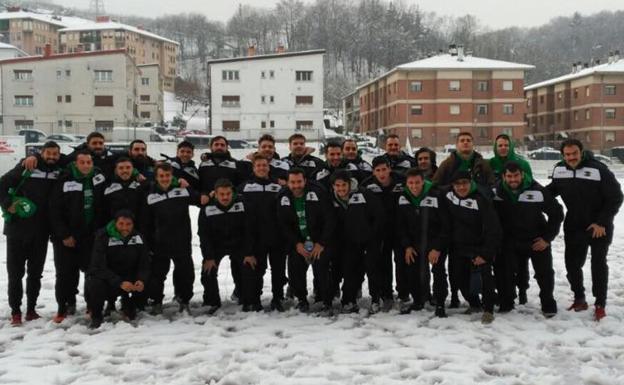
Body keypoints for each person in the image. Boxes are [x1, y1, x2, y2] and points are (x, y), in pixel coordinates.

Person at [547, 139, 623, 321]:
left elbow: (616, 196)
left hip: (598, 226)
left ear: (581, 152)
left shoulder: (598, 169)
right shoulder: (559, 169)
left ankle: (600, 304)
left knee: (598, 264)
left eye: (574, 153)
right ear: (563, 155)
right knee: (572, 264)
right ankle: (579, 298)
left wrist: (602, 222)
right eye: (567, 154)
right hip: (574, 223)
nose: (571, 157)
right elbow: (551, 191)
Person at [0, 141, 62, 325]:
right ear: (41, 153)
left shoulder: (59, 170)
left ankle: (31, 310)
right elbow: (2, 184)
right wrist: (7, 204)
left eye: (55, 154)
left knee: (35, 274)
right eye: (48, 153)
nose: (51, 157)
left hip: (41, 232)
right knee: (15, 274)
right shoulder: (27, 165)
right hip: (17, 231)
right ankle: (16, 311)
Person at [493, 161, 563, 317]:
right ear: (503, 176)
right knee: (505, 272)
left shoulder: (537, 190)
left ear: (522, 174)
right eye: (509, 176)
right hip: (510, 240)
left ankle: (547, 303)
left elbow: (557, 213)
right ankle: (506, 301)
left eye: (516, 175)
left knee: (544, 273)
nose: (513, 180)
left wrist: (547, 238)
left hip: (535, 239)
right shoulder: (496, 192)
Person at [49, 150, 107, 323]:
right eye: (82, 162)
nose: (86, 166)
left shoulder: (99, 178)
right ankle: (64, 306)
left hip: (90, 237)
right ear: (75, 164)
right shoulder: (65, 179)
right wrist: (64, 234)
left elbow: (104, 205)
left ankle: (91, 305)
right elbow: (54, 210)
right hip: (66, 238)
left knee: (92, 273)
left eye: (89, 163)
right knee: (65, 274)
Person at [142, 162, 205, 315]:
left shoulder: (181, 191)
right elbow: (146, 222)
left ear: (172, 176)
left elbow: (200, 200)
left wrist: (188, 186)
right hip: (159, 243)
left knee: (186, 274)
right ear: (156, 177)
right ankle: (157, 302)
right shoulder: (150, 195)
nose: (165, 178)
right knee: (157, 275)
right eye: (161, 176)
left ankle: (184, 301)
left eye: (167, 175)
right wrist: (148, 243)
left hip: (181, 241)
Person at [440, 170, 502, 324]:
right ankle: (474, 304)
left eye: (465, 183)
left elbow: (493, 229)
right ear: (453, 186)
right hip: (458, 247)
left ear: (470, 183)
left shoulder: (481, 200)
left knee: (485, 279)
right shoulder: (448, 195)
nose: (461, 187)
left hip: (479, 247)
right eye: (458, 184)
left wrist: (486, 254)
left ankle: (488, 309)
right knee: (459, 278)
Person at [277, 168, 336, 315]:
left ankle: (326, 301)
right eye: (292, 182)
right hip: (298, 241)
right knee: (295, 266)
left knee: (322, 267)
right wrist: (296, 244)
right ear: (288, 182)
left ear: (305, 181)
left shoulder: (317, 192)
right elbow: (283, 224)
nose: (296, 185)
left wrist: (321, 243)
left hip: (319, 240)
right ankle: (301, 299)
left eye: (299, 182)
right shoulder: (283, 197)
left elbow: (330, 219)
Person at [330, 170, 385, 313]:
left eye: (344, 185)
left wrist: (373, 236)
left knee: (372, 268)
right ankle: (349, 300)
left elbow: (378, 215)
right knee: (350, 270)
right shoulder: (332, 198)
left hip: (369, 240)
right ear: (333, 186)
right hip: (348, 241)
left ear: (349, 184)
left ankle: (376, 298)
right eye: (338, 186)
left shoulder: (364, 194)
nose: (341, 188)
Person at [238, 155, 288, 311]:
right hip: (256, 236)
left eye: (264, 165)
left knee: (278, 270)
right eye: (258, 165)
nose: (262, 168)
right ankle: (254, 299)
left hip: (277, 236)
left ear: (269, 167)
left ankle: (278, 298)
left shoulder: (279, 186)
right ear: (253, 168)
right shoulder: (245, 187)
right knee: (257, 270)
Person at [199, 178, 256, 314]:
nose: (225, 197)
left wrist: (249, 253)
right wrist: (209, 257)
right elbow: (204, 235)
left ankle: (247, 300)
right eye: (222, 194)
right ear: (216, 194)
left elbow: (250, 230)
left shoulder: (242, 205)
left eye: (228, 194)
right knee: (208, 271)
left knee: (249, 267)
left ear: (232, 193)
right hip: (217, 245)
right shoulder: (207, 209)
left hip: (239, 244)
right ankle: (212, 302)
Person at [86, 210, 150, 329]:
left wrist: (141, 280)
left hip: (128, 277)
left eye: (128, 224)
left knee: (150, 281)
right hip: (108, 277)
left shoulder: (138, 237)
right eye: (121, 224)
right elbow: (98, 266)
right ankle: (96, 316)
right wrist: (119, 282)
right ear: (115, 223)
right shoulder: (103, 236)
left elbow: (144, 264)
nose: (124, 228)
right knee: (95, 282)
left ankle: (129, 306)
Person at [395, 168, 445, 316]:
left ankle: (440, 302)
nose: (414, 186)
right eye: (410, 183)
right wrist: (407, 246)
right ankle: (418, 300)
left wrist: (437, 247)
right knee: (413, 270)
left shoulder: (436, 195)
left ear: (423, 181)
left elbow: (445, 224)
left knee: (438, 270)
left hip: (434, 241)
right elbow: (400, 225)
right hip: (414, 242)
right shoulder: (402, 197)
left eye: (417, 182)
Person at [360, 158, 406, 310]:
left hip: (399, 229)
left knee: (401, 262)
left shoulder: (402, 181)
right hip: (378, 231)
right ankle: (385, 293)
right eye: (378, 170)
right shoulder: (367, 185)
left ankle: (403, 293)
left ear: (389, 169)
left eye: (384, 169)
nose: (381, 173)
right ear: (373, 171)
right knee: (383, 263)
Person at [103, 157, 146, 224]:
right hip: (115, 228)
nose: (125, 170)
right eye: (121, 168)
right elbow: (103, 211)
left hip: (137, 228)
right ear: (116, 170)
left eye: (128, 167)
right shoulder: (107, 188)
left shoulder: (141, 186)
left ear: (133, 169)